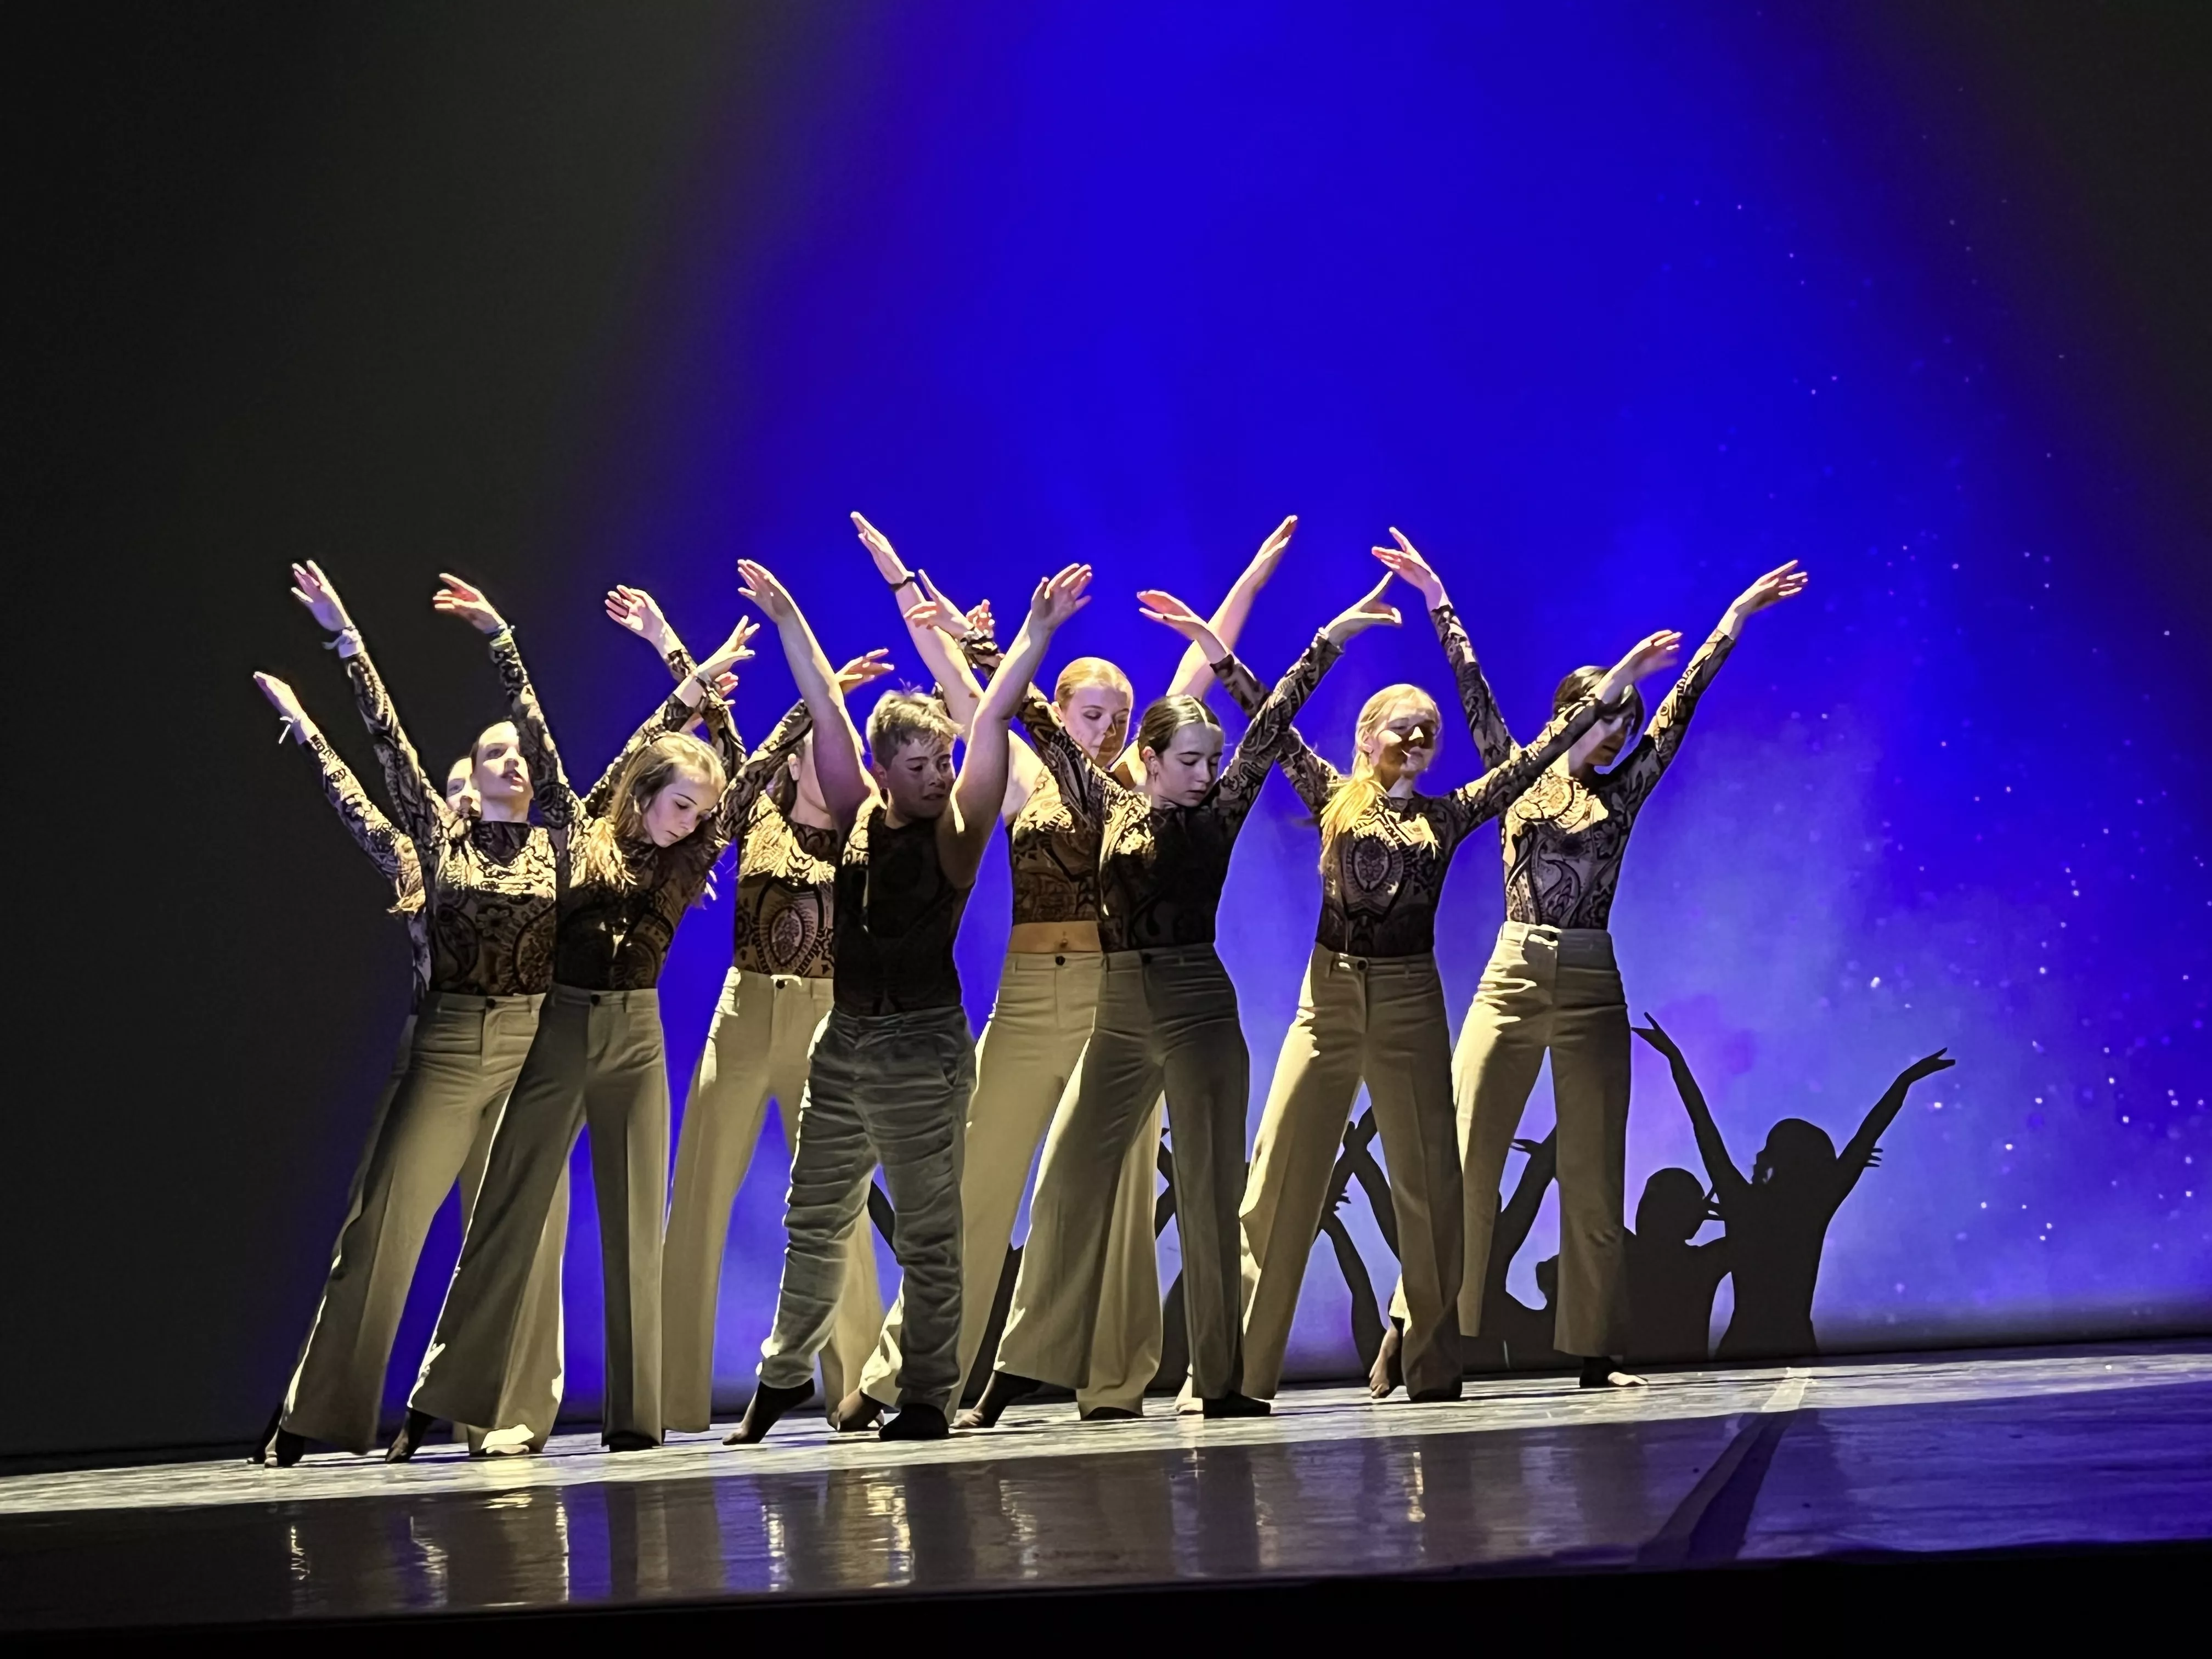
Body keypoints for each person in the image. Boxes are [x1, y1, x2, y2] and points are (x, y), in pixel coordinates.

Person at [839, 515, 1296, 1426]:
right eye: (1093, 714)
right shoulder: (1020, 767)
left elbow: (1198, 677)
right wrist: (904, 584)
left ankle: (1109, 1378)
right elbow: (964, 683)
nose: (1109, 728)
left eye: (1121, 718)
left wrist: (1248, 579)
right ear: (1061, 706)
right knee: (975, 1184)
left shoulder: (1133, 782)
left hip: (1114, 997)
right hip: (1024, 999)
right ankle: (909, 1375)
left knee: (1115, 1202)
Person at [1217, 533, 1679, 1403]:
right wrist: (1292, 643)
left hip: (1413, 999)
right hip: (1331, 995)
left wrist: (1620, 677)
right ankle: (1238, 1374)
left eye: (1428, 731)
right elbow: (1267, 721)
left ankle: (1433, 1367)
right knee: (1280, 1182)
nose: (1420, 736)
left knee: (1432, 1190)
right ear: (1367, 736)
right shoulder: (1330, 795)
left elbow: (1543, 749)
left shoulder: (1454, 811)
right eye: (1404, 725)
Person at [968, 568, 1400, 1426]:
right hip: (1120, 1015)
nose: (1207, 773)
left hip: (1199, 1007)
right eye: (1191, 761)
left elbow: (1273, 718)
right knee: (1067, 1185)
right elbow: (1036, 718)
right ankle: (1021, 1367)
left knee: (1207, 1196)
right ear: (1152, 759)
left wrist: (1333, 637)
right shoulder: (1106, 800)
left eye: (1212, 760)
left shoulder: (1219, 811)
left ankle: (1222, 1378)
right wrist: (1004, 639)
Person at [394, 571, 783, 1457]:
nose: (691, 824)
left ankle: (636, 1419)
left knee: (638, 1225)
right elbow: (538, 729)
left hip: (637, 1038)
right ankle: (434, 1401)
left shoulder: (690, 857)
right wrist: (502, 638)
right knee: (506, 1214)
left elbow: (749, 767)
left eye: (701, 814)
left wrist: (787, 686)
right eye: (680, 806)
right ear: (643, 793)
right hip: (561, 1029)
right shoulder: (579, 829)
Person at [1398, 556, 1810, 1391]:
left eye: (1628, 720)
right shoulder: (1517, 774)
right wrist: (1440, 601)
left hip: (1591, 980)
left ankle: (1596, 1352)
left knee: (1593, 1171)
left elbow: (1683, 703)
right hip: (1512, 976)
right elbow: (1472, 688)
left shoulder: (1623, 794)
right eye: (1607, 716)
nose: (1619, 732)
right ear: (1568, 717)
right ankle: (1416, 1329)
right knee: (1465, 1156)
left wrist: (1733, 618)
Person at [246, 554, 617, 1464]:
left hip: (535, 1049)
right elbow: (384, 745)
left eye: (521, 754)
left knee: (524, 1235)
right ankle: (317, 1409)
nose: (513, 761)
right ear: (471, 775)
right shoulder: (437, 841)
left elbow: (551, 754)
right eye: (495, 753)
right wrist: (346, 641)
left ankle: (507, 1414)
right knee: (382, 1222)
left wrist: (503, 643)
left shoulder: (560, 844)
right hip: (450, 1042)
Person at [729, 558, 1077, 1444]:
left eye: (942, 761)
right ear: (882, 771)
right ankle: (782, 1376)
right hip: (844, 1043)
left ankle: (926, 1391)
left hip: (922, 1046)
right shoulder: (856, 813)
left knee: (927, 1232)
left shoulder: (956, 833)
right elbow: (826, 709)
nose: (936, 775)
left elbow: (991, 717)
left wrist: (1034, 632)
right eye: (919, 765)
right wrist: (789, 615)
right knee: (814, 1218)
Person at [599, 584, 901, 1432]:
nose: (829, 760)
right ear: (792, 758)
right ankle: (665, 1400)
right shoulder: (755, 810)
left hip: (828, 1021)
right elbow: (727, 729)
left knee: (837, 1202)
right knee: (698, 1195)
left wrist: (835, 703)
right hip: (744, 1015)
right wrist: (667, 637)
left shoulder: (860, 831)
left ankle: (854, 1389)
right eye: (816, 747)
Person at [1634, 1015, 1954, 1358]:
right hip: (1793, 1342)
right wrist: (1905, 1082)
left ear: (1784, 1162)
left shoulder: (1743, 1203)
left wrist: (1676, 1058)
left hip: (1744, 1345)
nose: (1759, 1155)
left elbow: (1703, 1124)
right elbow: (1867, 1134)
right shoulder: (1812, 1207)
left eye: (1769, 1149)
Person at [1624, 1167, 1730, 1365]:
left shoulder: (1626, 1251)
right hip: (1690, 1373)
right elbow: (1754, 1235)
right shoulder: (1704, 1262)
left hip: (1639, 1370)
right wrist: (1729, 1212)